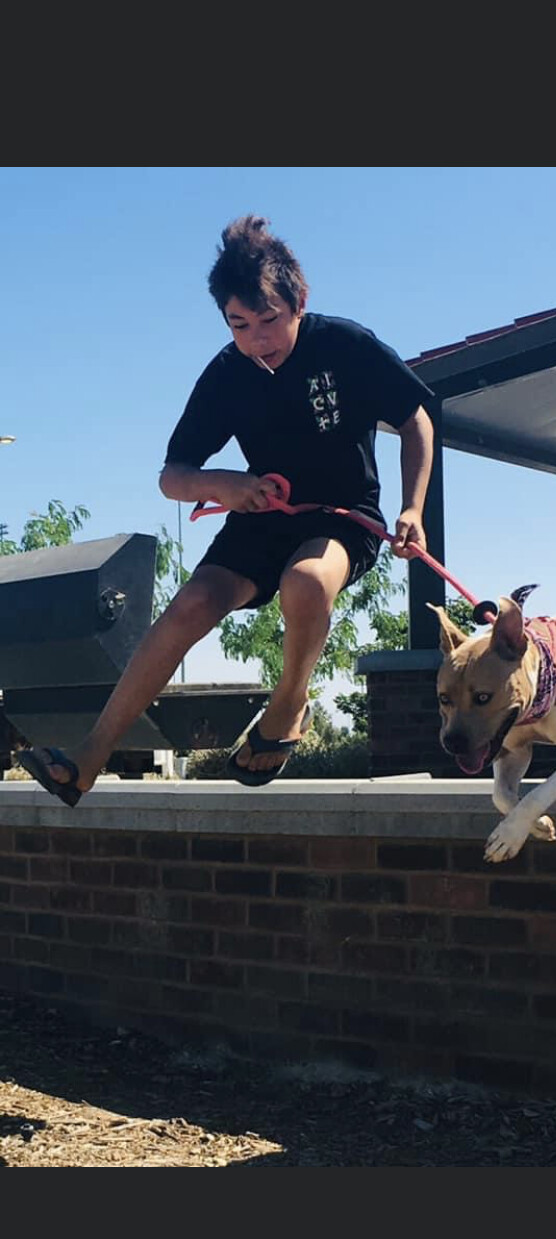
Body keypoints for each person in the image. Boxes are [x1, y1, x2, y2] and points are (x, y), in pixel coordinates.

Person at [17, 213, 434, 803]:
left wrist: (412, 507)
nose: (257, 339)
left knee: (308, 583)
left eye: (269, 321)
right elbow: (173, 476)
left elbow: (416, 418)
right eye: (239, 324)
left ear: (299, 302)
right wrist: (225, 484)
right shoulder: (225, 373)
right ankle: (89, 754)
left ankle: (288, 707)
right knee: (189, 604)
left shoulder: (345, 345)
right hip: (259, 516)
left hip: (343, 517)